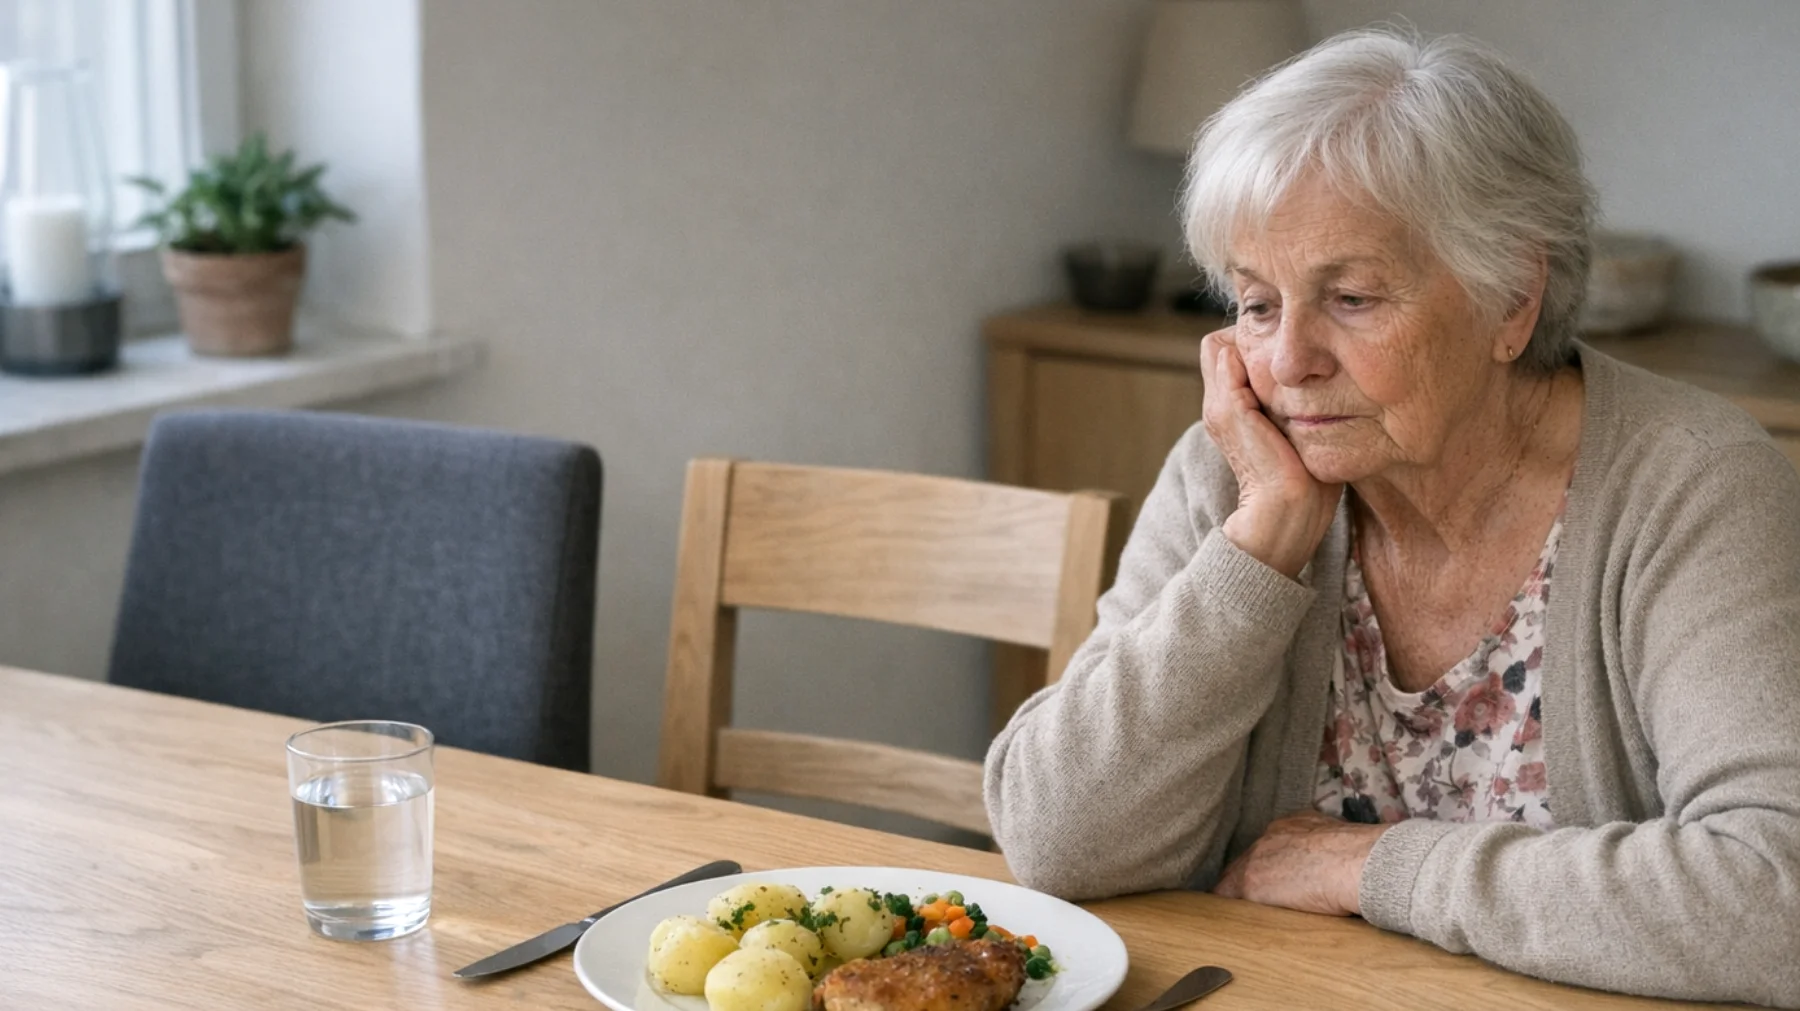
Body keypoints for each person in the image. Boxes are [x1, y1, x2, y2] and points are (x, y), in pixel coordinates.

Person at [984, 27, 1800, 1006]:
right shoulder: (1239, 469)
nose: (1287, 363)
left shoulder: (1689, 488)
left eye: (1354, 297)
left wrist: (1367, 868)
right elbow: (1056, 841)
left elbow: (1774, 901)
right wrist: (1261, 544)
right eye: (1255, 303)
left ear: (1513, 301)